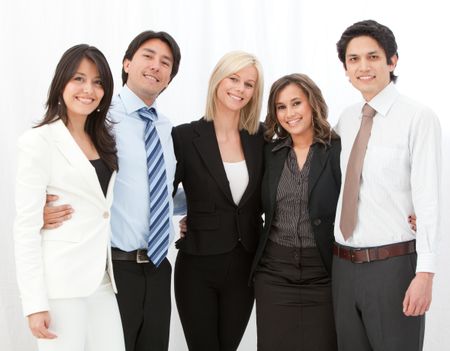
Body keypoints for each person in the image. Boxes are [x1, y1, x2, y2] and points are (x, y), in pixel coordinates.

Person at [42, 31, 182, 351]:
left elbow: (162, 190)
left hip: (160, 267)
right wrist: (39, 207)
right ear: (127, 63)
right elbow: (64, 172)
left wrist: (189, 212)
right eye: (148, 56)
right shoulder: (98, 119)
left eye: (166, 62)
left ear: (170, 78)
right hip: (113, 270)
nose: (156, 66)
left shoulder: (168, 129)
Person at [333, 19, 441, 351]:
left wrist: (425, 275)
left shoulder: (418, 117)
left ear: (392, 61)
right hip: (342, 267)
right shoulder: (346, 119)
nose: (363, 67)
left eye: (373, 57)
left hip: (392, 267)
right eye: (353, 59)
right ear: (346, 69)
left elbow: (429, 199)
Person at [14, 44, 125, 351]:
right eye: (79, 78)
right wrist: (34, 304)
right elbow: (25, 227)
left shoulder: (103, 139)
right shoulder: (38, 141)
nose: (89, 89)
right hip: (61, 284)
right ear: (61, 82)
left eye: (98, 81)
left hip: (102, 280)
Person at [172, 51, 265, 350]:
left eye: (249, 84)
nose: (240, 89)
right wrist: (191, 213)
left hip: (244, 265)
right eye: (234, 79)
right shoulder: (184, 137)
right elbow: (162, 195)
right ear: (217, 80)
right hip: (197, 266)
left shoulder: (262, 138)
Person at [250, 74, 340, 351]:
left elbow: (368, 189)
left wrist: (407, 212)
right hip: (274, 272)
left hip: (323, 272)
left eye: (296, 103)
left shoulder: (337, 149)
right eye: (281, 107)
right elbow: (237, 189)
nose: (289, 113)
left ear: (312, 104)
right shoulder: (270, 152)